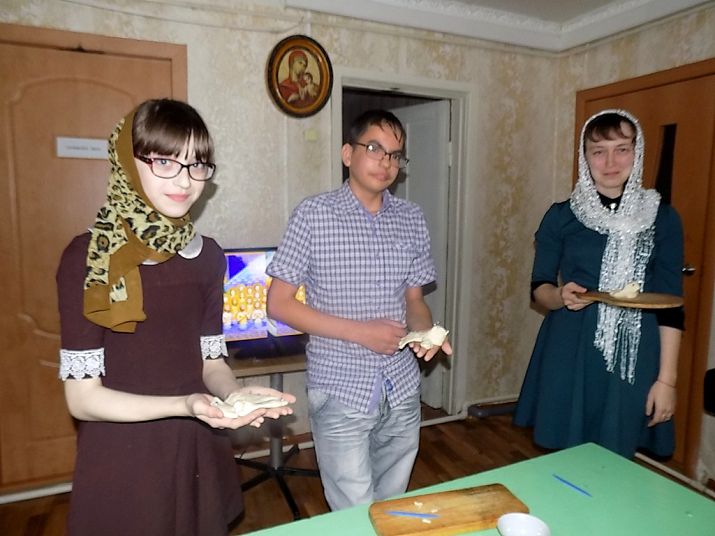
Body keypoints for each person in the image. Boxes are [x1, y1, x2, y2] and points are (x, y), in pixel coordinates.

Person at [56, 98, 295, 536]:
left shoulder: (207, 257)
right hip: (125, 456)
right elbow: (82, 399)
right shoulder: (88, 257)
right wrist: (184, 405)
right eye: (165, 161)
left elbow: (211, 362)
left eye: (197, 164)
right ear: (128, 161)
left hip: (197, 442)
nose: (185, 180)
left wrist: (234, 396)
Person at [265, 109, 452, 510]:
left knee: (391, 507)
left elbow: (414, 300)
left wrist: (426, 334)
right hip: (341, 388)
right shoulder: (313, 214)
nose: (386, 162)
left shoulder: (411, 217)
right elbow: (278, 303)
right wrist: (360, 332)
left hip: (401, 388)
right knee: (352, 515)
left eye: (395, 155)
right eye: (375, 149)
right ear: (348, 154)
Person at [513, 109, 684, 459]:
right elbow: (540, 287)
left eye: (621, 149)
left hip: (636, 352)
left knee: (620, 456)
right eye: (598, 151)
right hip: (571, 347)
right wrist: (560, 296)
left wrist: (667, 380)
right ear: (584, 157)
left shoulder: (662, 218)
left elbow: (671, 305)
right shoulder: (562, 216)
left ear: (637, 152)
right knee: (566, 457)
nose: (610, 162)